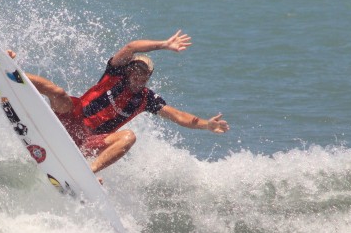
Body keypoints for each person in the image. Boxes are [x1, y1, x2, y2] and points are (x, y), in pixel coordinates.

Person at [12, 30, 229, 174]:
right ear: (128, 70)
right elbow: (132, 46)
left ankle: (88, 173)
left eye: (143, 73)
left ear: (148, 77)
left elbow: (179, 116)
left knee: (129, 137)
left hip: (88, 141)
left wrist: (207, 125)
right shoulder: (115, 74)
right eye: (135, 69)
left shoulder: (147, 99)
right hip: (71, 118)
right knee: (58, 92)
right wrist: (163, 44)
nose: (138, 75)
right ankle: (10, 74)